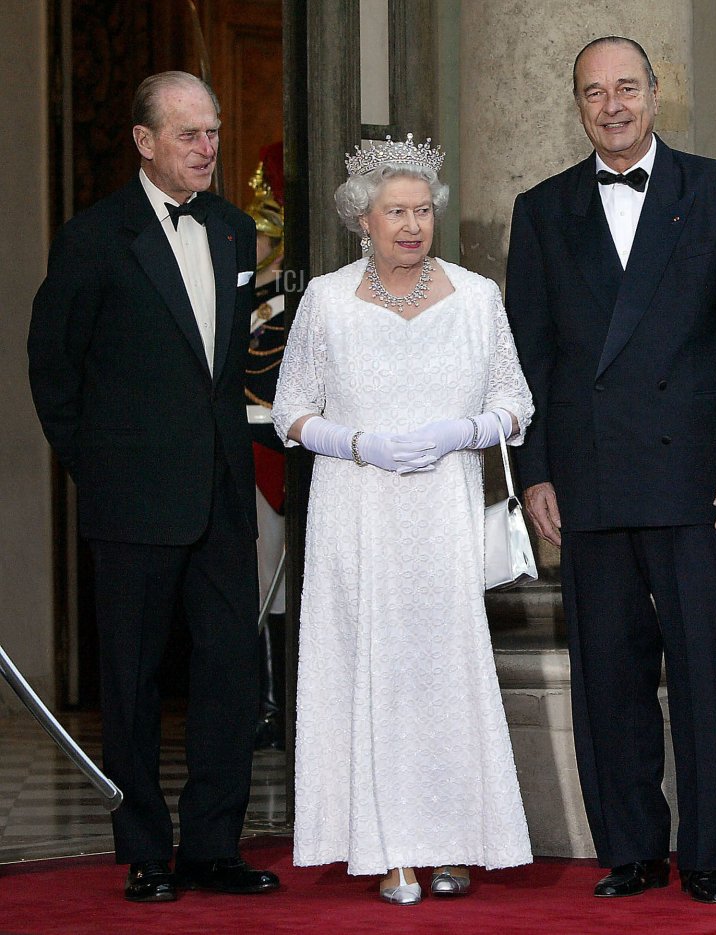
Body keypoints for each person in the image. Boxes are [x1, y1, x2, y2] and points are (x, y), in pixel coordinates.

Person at [505, 36, 716, 905]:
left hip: (699, 478)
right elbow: (528, 359)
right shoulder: (542, 209)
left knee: (702, 670)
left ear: (658, 94)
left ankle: (704, 854)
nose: (612, 105)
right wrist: (534, 469)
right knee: (608, 673)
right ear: (577, 106)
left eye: (627, 87)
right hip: (587, 478)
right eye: (594, 92)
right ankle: (629, 848)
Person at [28, 71, 279, 901]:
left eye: (211, 132)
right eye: (188, 135)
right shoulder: (94, 238)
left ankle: (213, 843)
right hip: (131, 498)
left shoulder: (237, 230)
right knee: (131, 684)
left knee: (229, 675)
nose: (208, 148)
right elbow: (53, 366)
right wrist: (96, 466)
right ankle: (143, 846)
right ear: (143, 142)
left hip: (220, 494)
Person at [272, 133, 533, 906]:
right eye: (396, 212)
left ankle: (452, 841)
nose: (412, 226)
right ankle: (391, 850)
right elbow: (290, 413)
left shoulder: (478, 296)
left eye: (422, 210)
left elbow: (515, 403)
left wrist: (463, 432)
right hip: (358, 513)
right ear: (364, 219)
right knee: (373, 671)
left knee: (441, 676)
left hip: (443, 513)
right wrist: (361, 443)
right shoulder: (325, 300)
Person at [243, 142, 288, 751]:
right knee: (259, 587)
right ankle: (264, 705)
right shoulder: (243, 296)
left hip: (294, 446)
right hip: (247, 448)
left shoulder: (299, 296)